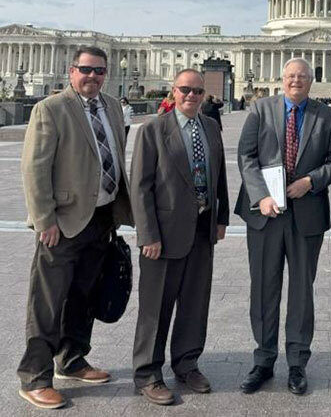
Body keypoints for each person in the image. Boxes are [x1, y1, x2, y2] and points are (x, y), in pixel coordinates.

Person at [17, 46, 134, 410]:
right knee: (48, 301)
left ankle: (72, 358)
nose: (93, 76)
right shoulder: (51, 109)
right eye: (86, 70)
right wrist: (45, 219)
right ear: (72, 71)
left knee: (85, 293)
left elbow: (112, 155)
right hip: (64, 220)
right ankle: (35, 376)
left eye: (99, 71)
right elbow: (35, 168)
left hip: (101, 216)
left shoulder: (112, 106)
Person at [235, 58, 331, 396]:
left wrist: (311, 181)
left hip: (306, 213)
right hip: (266, 213)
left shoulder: (326, 115)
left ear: (313, 81)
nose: (296, 81)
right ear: (282, 79)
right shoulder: (260, 108)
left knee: (301, 291)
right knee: (264, 289)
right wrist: (262, 196)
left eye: (302, 76)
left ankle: (297, 363)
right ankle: (264, 360)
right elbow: (246, 157)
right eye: (291, 76)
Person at [131, 69, 229, 406]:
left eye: (198, 91)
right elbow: (140, 187)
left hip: (202, 229)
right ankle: (147, 372)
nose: (191, 96)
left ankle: (187, 363)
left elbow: (219, 178)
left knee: (194, 302)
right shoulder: (153, 130)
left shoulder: (211, 127)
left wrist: (222, 218)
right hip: (163, 233)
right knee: (155, 307)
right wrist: (147, 235)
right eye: (185, 90)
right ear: (173, 92)